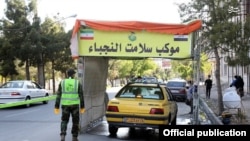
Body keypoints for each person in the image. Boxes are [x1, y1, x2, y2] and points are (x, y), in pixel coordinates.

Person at [54, 69, 85, 141]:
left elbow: (58, 95)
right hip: (75, 105)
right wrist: (82, 106)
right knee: (75, 121)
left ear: (67, 74)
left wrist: (56, 106)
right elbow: (81, 95)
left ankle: (63, 135)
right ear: (73, 75)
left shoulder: (62, 82)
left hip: (65, 105)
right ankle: (74, 137)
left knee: (64, 120)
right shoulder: (77, 83)